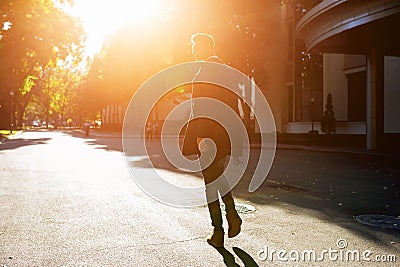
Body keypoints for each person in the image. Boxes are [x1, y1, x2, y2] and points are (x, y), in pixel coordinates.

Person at [182, 33, 242, 247]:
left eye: (195, 45)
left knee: (210, 183)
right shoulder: (227, 71)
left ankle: (219, 230)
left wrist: (200, 135)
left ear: (207, 47)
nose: (193, 50)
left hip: (208, 136)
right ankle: (231, 215)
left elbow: (202, 106)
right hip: (224, 135)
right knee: (216, 176)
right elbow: (234, 106)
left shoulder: (204, 73)